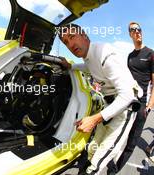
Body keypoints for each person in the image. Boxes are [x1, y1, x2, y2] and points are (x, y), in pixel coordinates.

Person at [59, 23, 142, 175]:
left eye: (72, 37)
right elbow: (87, 67)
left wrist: (93, 119)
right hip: (109, 105)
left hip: (125, 107)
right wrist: (70, 67)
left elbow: (128, 95)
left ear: (84, 35)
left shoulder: (105, 53)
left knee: (101, 157)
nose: (70, 44)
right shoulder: (89, 58)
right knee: (93, 148)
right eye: (66, 42)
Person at [116, 22, 154, 166]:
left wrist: (149, 106)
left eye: (139, 29)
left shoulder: (151, 54)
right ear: (130, 34)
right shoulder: (130, 56)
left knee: (132, 141)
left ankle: (114, 169)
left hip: (142, 104)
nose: (137, 31)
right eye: (133, 30)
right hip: (126, 101)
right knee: (117, 135)